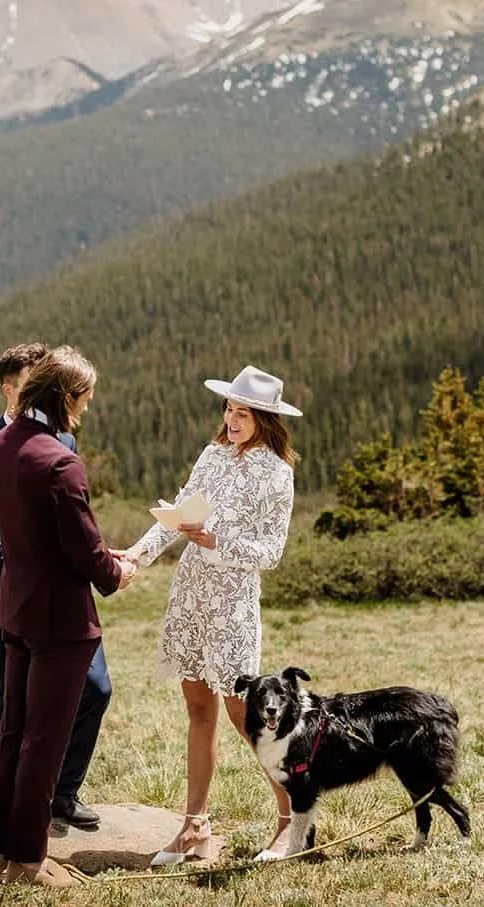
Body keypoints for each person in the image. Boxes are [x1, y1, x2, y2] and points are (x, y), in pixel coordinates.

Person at [114, 364, 302, 865]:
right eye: (229, 409)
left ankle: (292, 821)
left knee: (247, 716)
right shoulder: (212, 455)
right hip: (191, 596)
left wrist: (216, 540)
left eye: (244, 413)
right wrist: (135, 556)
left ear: (265, 419)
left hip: (233, 604)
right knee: (198, 709)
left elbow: (271, 552)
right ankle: (194, 825)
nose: (232, 419)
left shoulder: (278, 474)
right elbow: (178, 516)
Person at [0, 346, 136, 887]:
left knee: (14, 733)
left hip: (17, 609)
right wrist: (116, 571)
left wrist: (95, 553)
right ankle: (30, 862)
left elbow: (43, 535)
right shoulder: (59, 461)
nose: (87, 409)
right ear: (66, 396)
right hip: (60, 622)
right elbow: (83, 548)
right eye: (85, 399)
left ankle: (5, 853)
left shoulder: (2, 444)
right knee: (45, 742)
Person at [0, 342, 110, 833]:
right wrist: (36, 561)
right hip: (4, 598)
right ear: (10, 389)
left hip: (61, 600)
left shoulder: (63, 443)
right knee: (7, 706)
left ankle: (61, 793)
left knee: (96, 689)